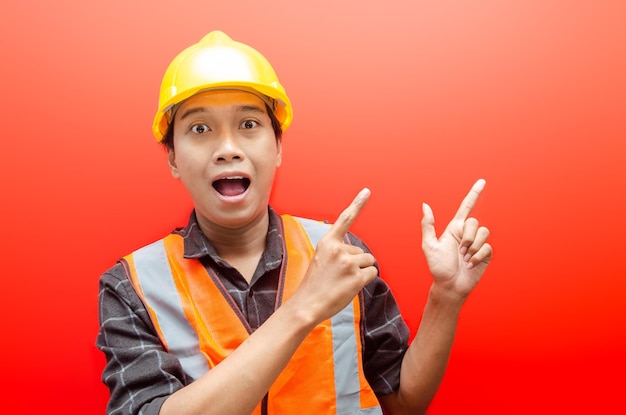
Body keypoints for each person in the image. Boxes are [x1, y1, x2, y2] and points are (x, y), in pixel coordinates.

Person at [96, 30, 493, 415]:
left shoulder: (341, 255)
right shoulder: (132, 286)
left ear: (278, 146)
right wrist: (303, 307)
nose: (228, 149)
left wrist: (446, 297)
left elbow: (404, 405)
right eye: (200, 129)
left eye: (249, 125)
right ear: (173, 159)